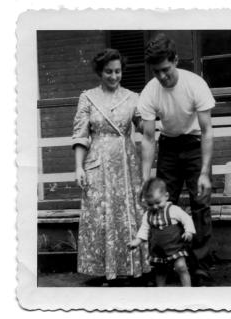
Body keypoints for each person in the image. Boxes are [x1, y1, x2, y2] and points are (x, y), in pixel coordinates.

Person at [138, 33, 215, 285]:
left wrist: (204, 171)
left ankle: (200, 267)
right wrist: (146, 177)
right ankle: (167, 262)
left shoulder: (195, 84)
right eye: (156, 71)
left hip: (194, 145)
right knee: (161, 205)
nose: (161, 76)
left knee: (200, 203)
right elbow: (148, 138)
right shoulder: (150, 91)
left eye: (166, 69)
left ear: (176, 60)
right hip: (168, 146)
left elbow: (206, 131)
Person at [72, 48, 150, 285]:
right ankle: (105, 271)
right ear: (100, 72)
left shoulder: (133, 98)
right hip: (97, 162)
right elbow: (80, 135)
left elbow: (147, 130)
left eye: (118, 71)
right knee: (101, 213)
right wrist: (78, 167)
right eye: (108, 72)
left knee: (128, 211)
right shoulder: (88, 97)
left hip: (126, 161)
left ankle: (131, 269)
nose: (114, 76)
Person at [128, 177, 196, 287]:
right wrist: (137, 241)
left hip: (175, 246)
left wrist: (188, 232)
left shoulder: (173, 210)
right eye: (150, 204)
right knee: (160, 272)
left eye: (158, 202)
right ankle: (160, 292)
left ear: (166, 196)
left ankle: (187, 290)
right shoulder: (148, 215)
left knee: (181, 266)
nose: (155, 207)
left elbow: (187, 219)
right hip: (158, 250)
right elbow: (144, 229)